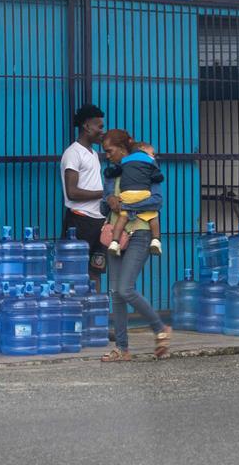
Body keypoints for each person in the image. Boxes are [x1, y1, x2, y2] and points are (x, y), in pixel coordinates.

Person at [98, 129, 171, 361]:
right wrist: (109, 201)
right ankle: (122, 349)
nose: (107, 156)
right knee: (115, 293)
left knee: (125, 288)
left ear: (124, 148)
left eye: (110, 151)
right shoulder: (111, 174)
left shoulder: (147, 167)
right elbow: (105, 203)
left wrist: (129, 206)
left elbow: (157, 201)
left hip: (140, 232)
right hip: (116, 235)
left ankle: (160, 328)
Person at [60, 104, 107, 289]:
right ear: (87, 126)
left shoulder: (93, 154)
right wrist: (104, 194)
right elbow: (72, 192)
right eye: (99, 126)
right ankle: (77, 313)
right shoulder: (73, 153)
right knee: (75, 271)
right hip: (80, 221)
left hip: (98, 221)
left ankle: (94, 313)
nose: (102, 131)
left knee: (96, 270)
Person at [104, 141, 163, 257]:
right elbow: (157, 176)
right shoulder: (150, 161)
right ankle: (156, 240)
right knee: (153, 217)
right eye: (152, 153)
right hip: (142, 194)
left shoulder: (125, 162)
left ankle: (114, 243)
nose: (153, 156)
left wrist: (124, 205)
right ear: (142, 148)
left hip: (126, 195)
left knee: (122, 218)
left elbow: (115, 171)